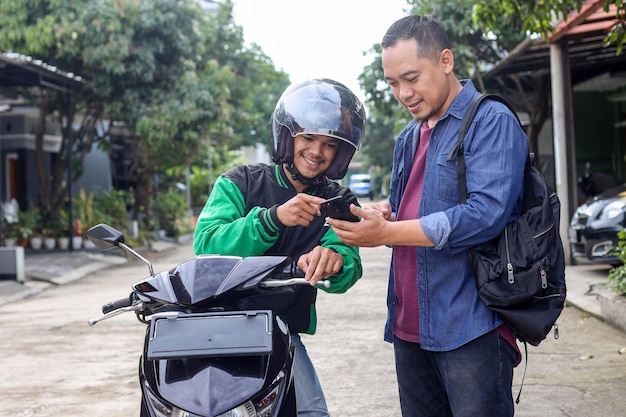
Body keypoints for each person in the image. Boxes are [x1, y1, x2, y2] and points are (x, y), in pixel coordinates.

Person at [326, 15, 528, 417]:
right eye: (392, 83)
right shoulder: (408, 136)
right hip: (409, 324)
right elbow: (412, 209)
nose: (403, 93)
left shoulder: (490, 121)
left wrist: (391, 229)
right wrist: (385, 215)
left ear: (446, 61)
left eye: (412, 77)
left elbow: (486, 214)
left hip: (470, 324)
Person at [193, 78, 366, 416]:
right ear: (288, 137)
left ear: (341, 152)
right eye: (309, 138)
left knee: (312, 412)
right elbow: (207, 242)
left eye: (330, 144)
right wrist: (271, 220)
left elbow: (348, 260)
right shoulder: (239, 182)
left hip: (279, 331)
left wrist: (334, 261)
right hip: (217, 324)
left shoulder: (338, 201)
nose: (316, 152)